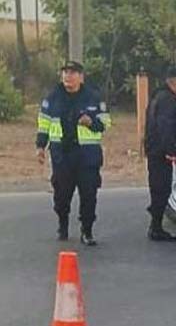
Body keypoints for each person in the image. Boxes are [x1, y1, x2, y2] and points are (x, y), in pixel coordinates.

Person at [36, 61, 110, 245]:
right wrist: (40, 146)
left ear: (81, 77)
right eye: (65, 72)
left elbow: (105, 123)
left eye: (72, 73)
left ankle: (87, 230)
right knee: (61, 195)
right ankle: (63, 223)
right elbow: (44, 123)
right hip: (62, 155)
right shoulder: (52, 97)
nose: (68, 76)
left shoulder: (93, 97)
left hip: (87, 156)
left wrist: (91, 122)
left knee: (89, 195)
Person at [143, 67, 176, 242]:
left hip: (154, 150)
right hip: (160, 152)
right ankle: (156, 227)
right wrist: (173, 152)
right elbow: (165, 127)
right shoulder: (168, 100)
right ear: (175, 82)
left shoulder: (158, 96)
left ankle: (156, 224)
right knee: (162, 189)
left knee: (158, 187)